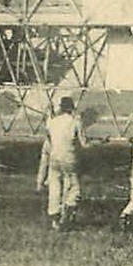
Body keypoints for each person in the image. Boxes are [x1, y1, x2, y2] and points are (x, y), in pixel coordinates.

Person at [43, 96, 87, 231]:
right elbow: (84, 144)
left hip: (54, 157)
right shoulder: (75, 122)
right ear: (72, 108)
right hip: (69, 158)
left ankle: (54, 217)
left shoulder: (52, 122)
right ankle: (66, 215)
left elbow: (49, 138)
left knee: (54, 186)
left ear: (61, 108)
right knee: (74, 188)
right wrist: (101, 142)